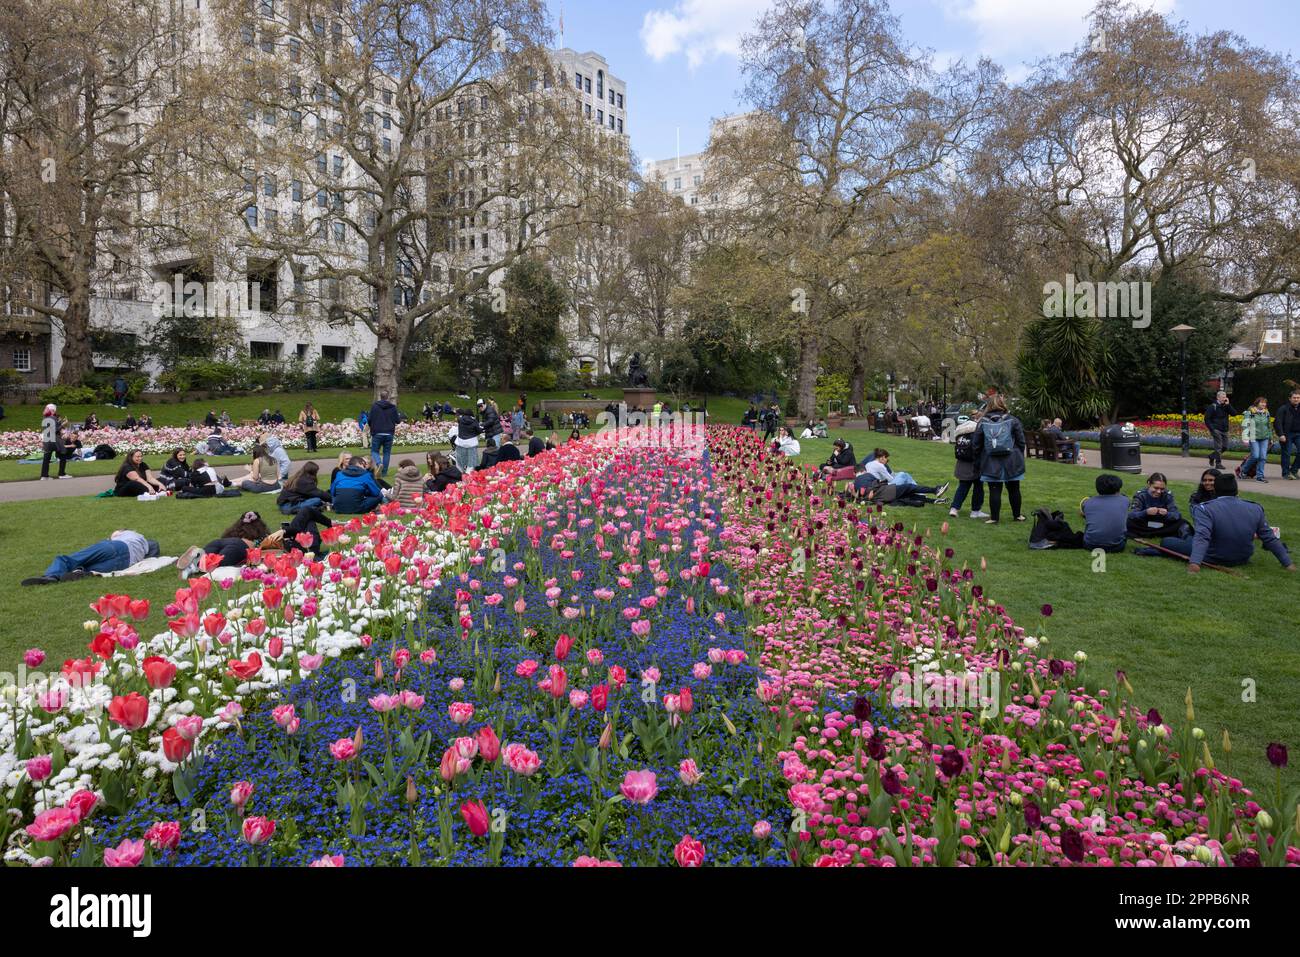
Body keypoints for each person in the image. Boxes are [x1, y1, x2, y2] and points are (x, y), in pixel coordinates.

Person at [1153, 473, 1295, 573]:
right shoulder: (1255, 508)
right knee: (1188, 539)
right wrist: (1287, 563)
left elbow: (1202, 536)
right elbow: (1269, 538)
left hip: (1214, 556)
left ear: (1217, 489)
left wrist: (1195, 563)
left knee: (1167, 542)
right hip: (1243, 557)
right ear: (1236, 490)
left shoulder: (1205, 508)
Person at [23, 529, 161, 586]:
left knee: (69, 559)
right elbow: (154, 548)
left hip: (116, 547)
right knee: (86, 569)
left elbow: (113, 535)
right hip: (124, 563)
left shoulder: (124, 535)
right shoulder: (147, 545)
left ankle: (51, 576)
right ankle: (78, 574)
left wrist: (112, 537)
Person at [972, 395, 1027, 524]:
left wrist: (978, 460)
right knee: (1014, 488)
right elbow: (1021, 441)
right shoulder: (1013, 420)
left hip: (991, 461)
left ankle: (994, 518)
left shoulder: (982, 422)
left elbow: (976, 444)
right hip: (1012, 460)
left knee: (994, 489)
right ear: (1003, 404)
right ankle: (1017, 515)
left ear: (988, 405)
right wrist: (1017, 454)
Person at [176, 512, 273, 578]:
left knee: (208, 556)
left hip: (220, 542)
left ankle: (196, 557)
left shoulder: (235, 531)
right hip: (240, 547)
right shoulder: (262, 535)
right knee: (216, 565)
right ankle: (194, 567)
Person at [948, 414, 989, 519]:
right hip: (974, 465)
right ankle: (975, 511)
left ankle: (954, 508)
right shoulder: (977, 434)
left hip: (962, 464)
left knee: (962, 487)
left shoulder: (960, 435)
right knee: (978, 488)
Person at [1126, 472, 1185, 539]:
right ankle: (1162, 533)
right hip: (1145, 523)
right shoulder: (1141, 495)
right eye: (1156, 488)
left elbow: (1177, 515)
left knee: (1182, 522)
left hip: (1161, 523)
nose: (1159, 491)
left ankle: (1149, 533)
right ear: (1149, 484)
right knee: (1128, 522)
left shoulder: (1168, 495)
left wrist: (1167, 514)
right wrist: (1146, 512)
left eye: (1162, 489)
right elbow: (1132, 515)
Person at [1239, 396, 1272, 483]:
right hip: (1253, 437)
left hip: (1264, 437)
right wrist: (1245, 437)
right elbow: (1245, 424)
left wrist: (1270, 438)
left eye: (1265, 403)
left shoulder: (1266, 413)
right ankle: (1243, 471)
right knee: (1255, 456)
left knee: (1263, 457)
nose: (1263, 404)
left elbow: (1268, 426)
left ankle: (1260, 476)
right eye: (1261, 402)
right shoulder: (1250, 412)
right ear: (1257, 403)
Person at [368, 392, 400, 476]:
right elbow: (398, 420)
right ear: (387, 397)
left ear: (380, 397)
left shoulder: (375, 406)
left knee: (374, 451)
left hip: (377, 432)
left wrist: (372, 426)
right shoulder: (393, 407)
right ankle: (384, 473)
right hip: (389, 432)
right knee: (387, 453)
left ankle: (379, 463)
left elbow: (370, 419)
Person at [40, 403, 69, 480]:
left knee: (46, 458)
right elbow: (55, 430)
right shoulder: (53, 418)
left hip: (46, 439)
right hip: (54, 439)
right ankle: (62, 474)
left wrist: (59, 422)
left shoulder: (45, 418)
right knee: (63, 454)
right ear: (53, 410)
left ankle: (44, 475)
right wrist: (63, 424)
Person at [1275, 390, 1300, 480]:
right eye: (1294, 398)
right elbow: (1278, 422)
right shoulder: (1283, 408)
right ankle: (1286, 473)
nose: (1296, 399)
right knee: (1287, 453)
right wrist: (1281, 434)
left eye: (1298, 398)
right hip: (1287, 434)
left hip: (1298, 433)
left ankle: (1293, 470)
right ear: (1290, 398)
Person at [454, 407, 483, 472]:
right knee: (471, 463)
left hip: (460, 443)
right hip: (471, 443)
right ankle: (468, 475)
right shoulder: (474, 421)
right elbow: (479, 430)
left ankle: (459, 474)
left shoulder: (460, 420)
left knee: (460, 462)